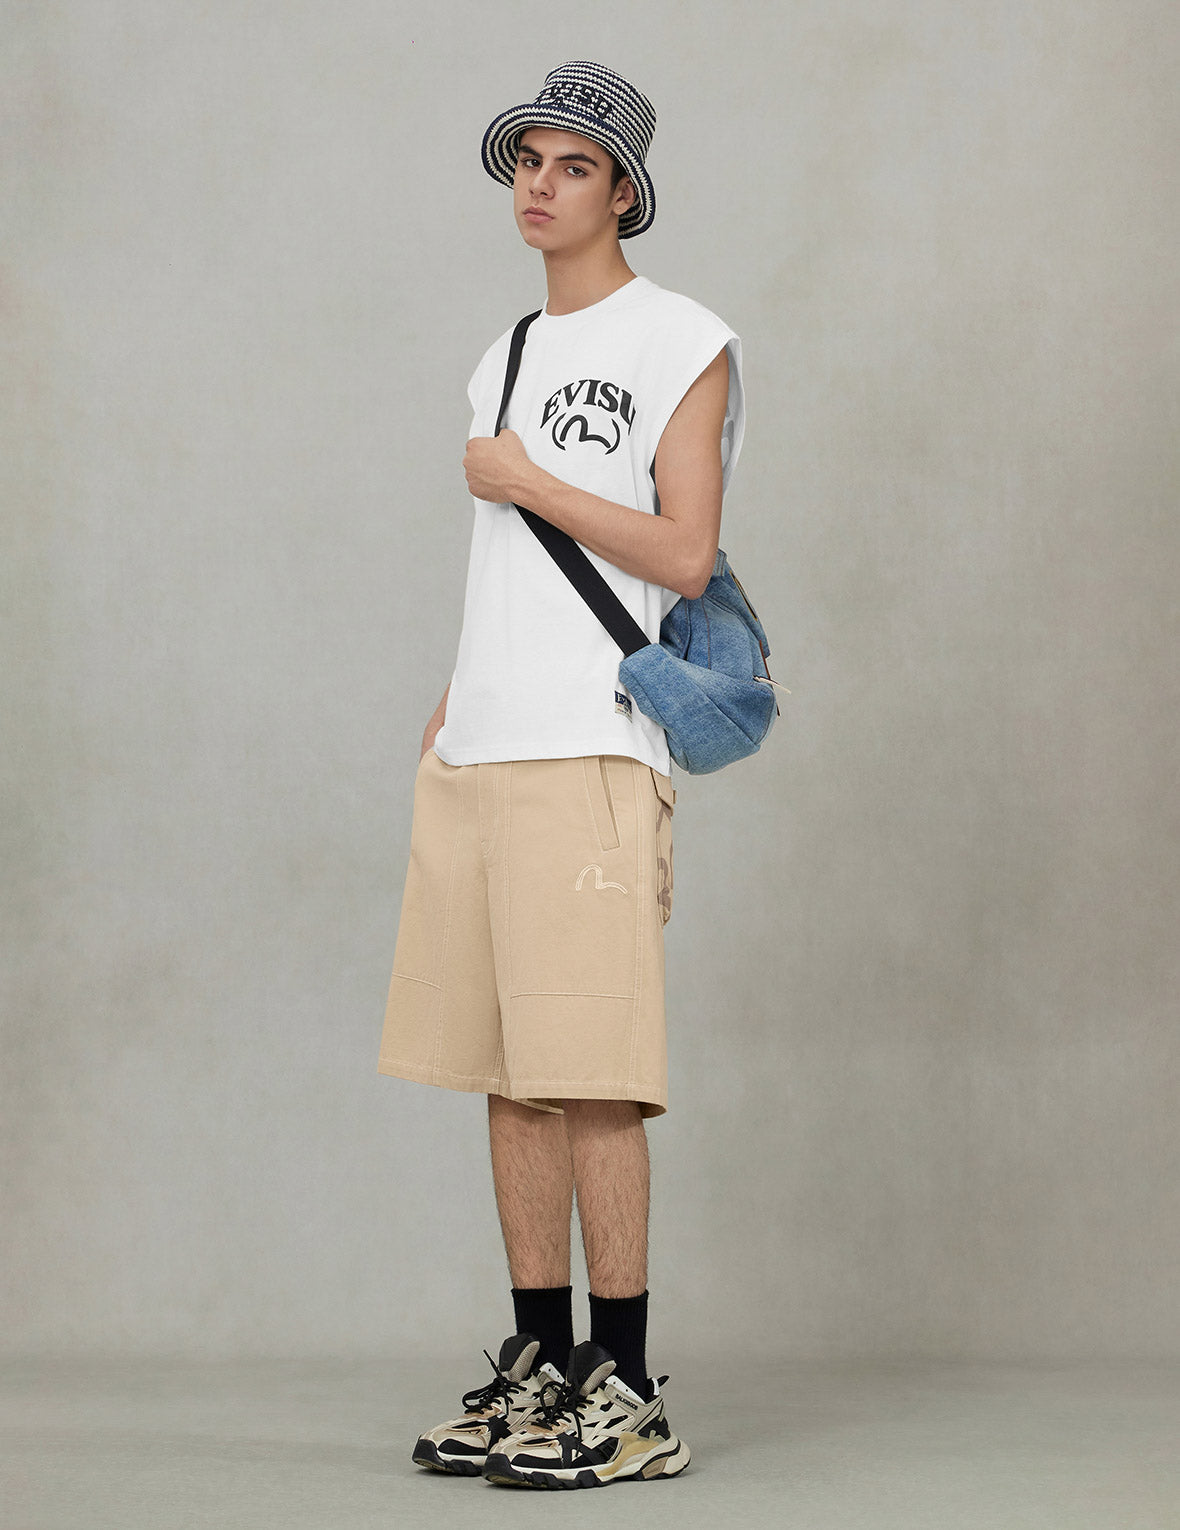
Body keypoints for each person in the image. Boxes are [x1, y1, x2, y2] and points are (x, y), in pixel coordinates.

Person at [378, 59, 745, 1490]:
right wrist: (454, 696)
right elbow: (508, 570)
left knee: (591, 1076)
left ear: (625, 191)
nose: (539, 185)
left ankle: (631, 1390)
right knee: (510, 1078)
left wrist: (530, 478)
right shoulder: (506, 352)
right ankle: (542, 1366)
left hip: (592, 746)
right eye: (526, 160)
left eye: (573, 165)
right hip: (482, 744)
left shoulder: (686, 340)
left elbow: (684, 555)